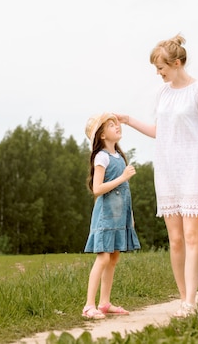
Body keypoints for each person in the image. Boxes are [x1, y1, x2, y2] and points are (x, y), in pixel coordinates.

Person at [115, 34, 198, 318]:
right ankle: (182, 297)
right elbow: (159, 132)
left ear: (176, 63)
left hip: (195, 167)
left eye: (161, 68)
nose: (158, 73)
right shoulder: (162, 93)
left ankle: (191, 300)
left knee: (191, 236)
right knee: (175, 239)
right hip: (167, 170)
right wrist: (128, 120)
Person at [81, 112, 141, 319]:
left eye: (117, 124)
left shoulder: (117, 156)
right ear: (102, 135)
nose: (117, 126)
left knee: (113, 257)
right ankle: (89, 305)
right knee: (104, 257)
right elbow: (97, 189)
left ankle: (104, 303)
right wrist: (123, 177)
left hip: (119, 216)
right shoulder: (102, 157)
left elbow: (124, 191)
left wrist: (129, 216)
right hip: (105, 216)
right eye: (111, 125)